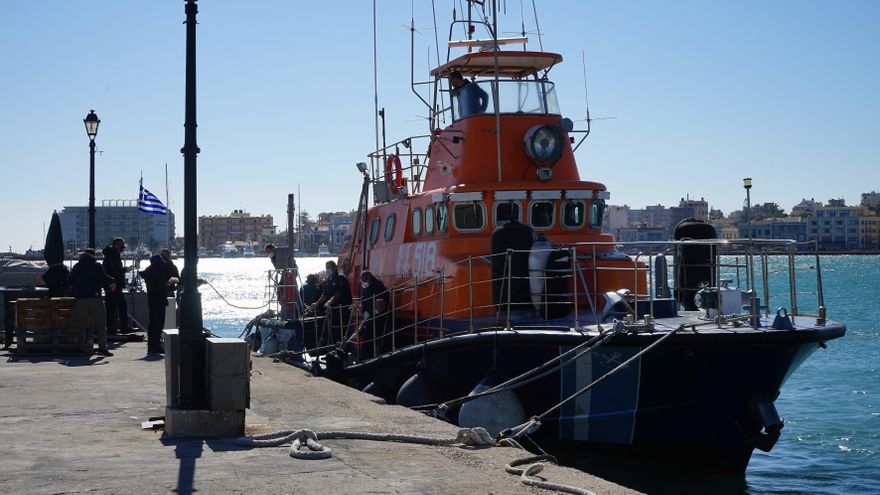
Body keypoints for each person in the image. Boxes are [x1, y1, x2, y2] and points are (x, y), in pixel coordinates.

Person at [70, 248, 115, 356]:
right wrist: (113, 281)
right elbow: (104, 278)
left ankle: (80, 347)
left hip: (80, 298)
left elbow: (70, 280)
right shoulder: (97, 265)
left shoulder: (76, 266)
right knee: (101, 323)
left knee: (81, 324)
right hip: (95, 297)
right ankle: (102, 347)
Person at [139, 254, 177, 355]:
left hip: (152, 300)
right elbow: (163, 287)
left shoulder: (149, 271)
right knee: (159, 324)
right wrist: (171, 285)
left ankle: (151, 346)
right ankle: (156, 345)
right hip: (160, 300)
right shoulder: (158, 272)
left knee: (153, 323)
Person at [348, 270, 389, 360]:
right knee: (362, 333)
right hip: (369, 315)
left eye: (363, 280)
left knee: (368, 336)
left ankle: (366, 358)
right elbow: (364, 297)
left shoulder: (378, 286)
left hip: (378, 316)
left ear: (369, 278)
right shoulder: (366, 286)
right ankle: (360, 355)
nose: (362, 282)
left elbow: (382, 300)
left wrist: (375, 310)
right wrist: (360, 304)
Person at [309, 260, 352, 343]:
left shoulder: (341, 278)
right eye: (326, 267)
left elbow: (338, 293)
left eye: (329, 267)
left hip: (341, 309)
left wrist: (330, 301)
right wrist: (317, 303)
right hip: (333, 310)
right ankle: (333, 345)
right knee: (332, 329)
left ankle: (341, 345)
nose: (327, 269)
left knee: (341, 329)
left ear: (335, 267)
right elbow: (325, 293)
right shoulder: (330, 279)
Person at [102, 237, 132, 334]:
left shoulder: (108, 254)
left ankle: (111, 328)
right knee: (122, 306)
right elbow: (116, 269)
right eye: (122, 244)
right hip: (115, 285)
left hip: (108, 285)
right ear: (118, 244)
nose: (123, 247)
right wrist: (125, 269)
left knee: (111, 308)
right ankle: (124, 327)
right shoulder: (114, 253)